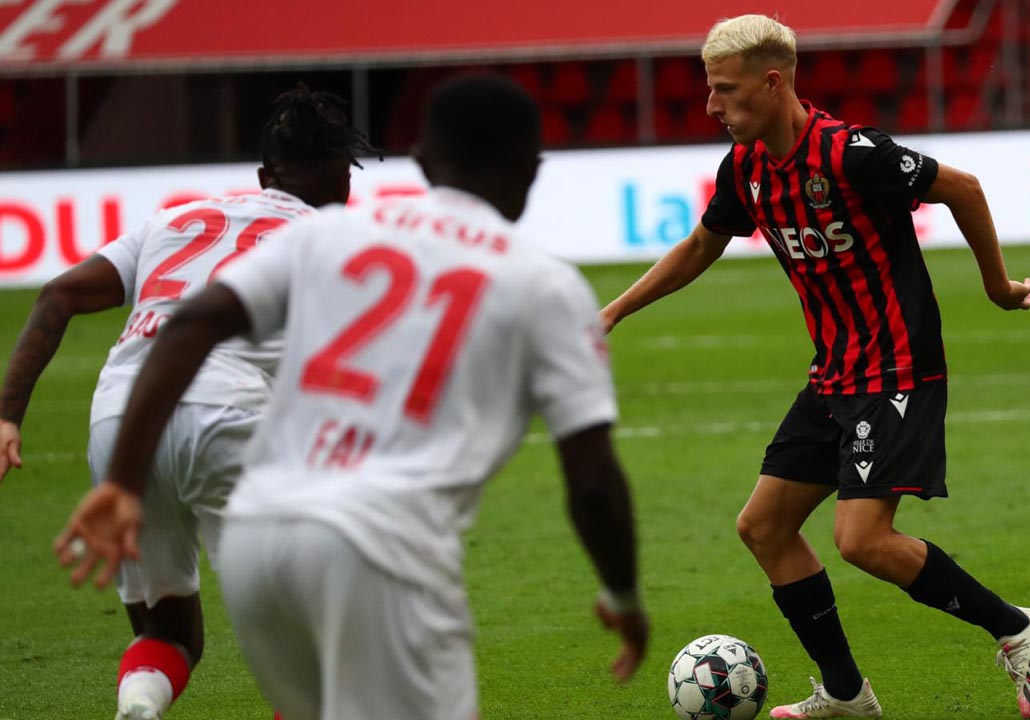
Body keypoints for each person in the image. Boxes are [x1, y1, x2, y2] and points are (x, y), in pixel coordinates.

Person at [54, 74, 649, 720]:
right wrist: (622, 594)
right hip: (382, 550)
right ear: (532, 171)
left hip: (261, 532)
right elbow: (592, 480)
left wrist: (123, 480)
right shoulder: (548, 286)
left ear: (422, 161)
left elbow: (191, 324)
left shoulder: (329, 235)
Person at [601, 15, 1030, 720]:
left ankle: (1017, 627)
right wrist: (611, 313)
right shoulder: (746, 167)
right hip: (835, 374)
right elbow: (699, 246)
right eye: (710, 89)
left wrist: (996, 286)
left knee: (861, 540)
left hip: (897, 368)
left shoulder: (852, 155)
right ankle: (846, 693)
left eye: (725, 90)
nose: (712, 105)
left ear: (771, 83)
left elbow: (962, 187)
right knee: (764, 527)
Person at [0, 86, 374, 720]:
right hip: (229, 415)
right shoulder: (336, 241)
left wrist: (7, 415)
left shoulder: (175, 220)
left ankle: (140, 708)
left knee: (168, 632)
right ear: (345, 178)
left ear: (265, 176)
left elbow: (57, 296)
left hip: (121, 420)